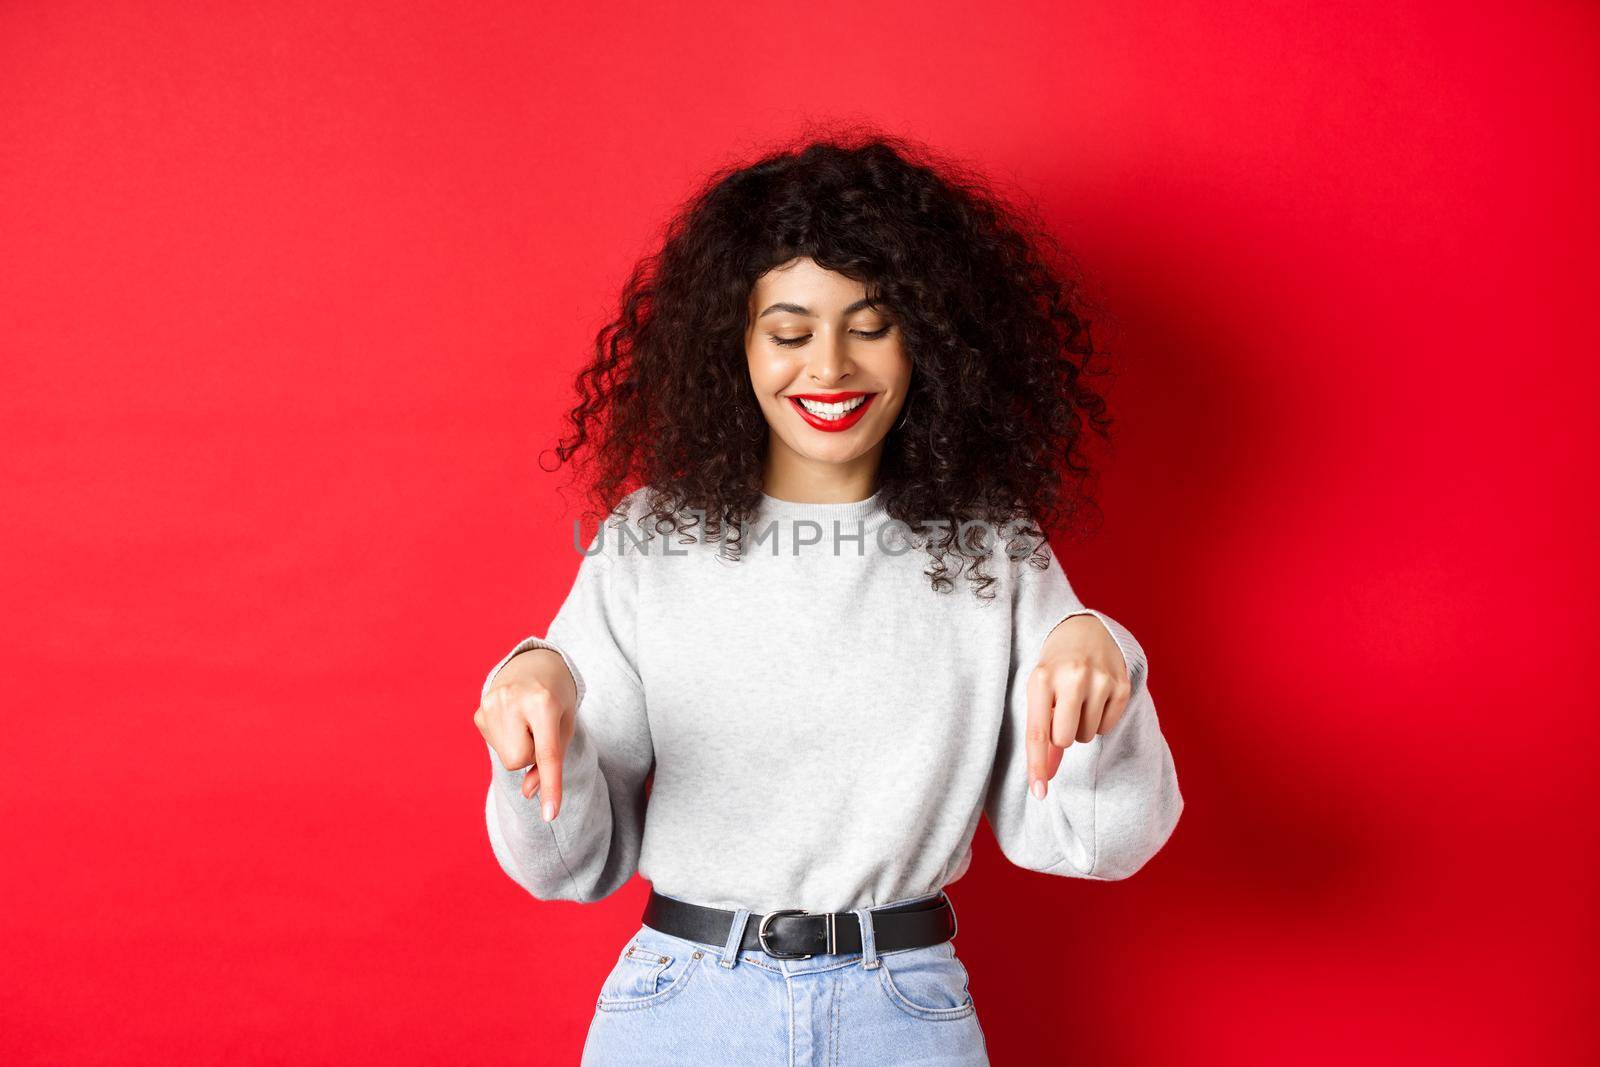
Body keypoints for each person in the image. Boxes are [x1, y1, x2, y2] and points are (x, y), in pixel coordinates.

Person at [473, 130, 1185, 1065]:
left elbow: (1093, 842)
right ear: (735, 345)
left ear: (929, 339)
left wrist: (1105, 668)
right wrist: (535, 729)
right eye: (791, 331)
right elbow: (569, 866)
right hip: (684, 1008)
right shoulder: (650, 539)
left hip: (905, 1011)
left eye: (872, 323)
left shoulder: (990, 546)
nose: (831, 367)